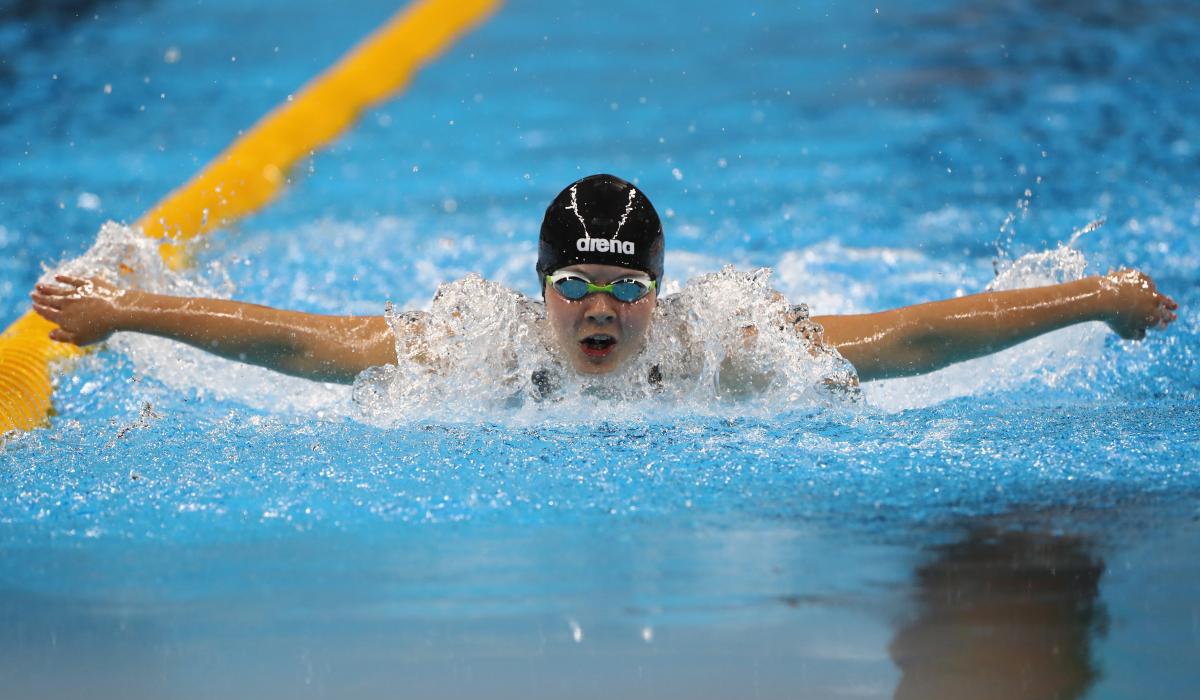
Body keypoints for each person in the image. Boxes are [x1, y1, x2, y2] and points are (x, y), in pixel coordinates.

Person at [29, 174, 1178, 394]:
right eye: (575, 283)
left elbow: (911, 338)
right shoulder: (472, 342)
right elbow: (298, 341)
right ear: (539, 286)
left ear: (659, 295)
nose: (598, 310)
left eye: (624, 291)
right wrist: (122, 309)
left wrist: (1091, 296)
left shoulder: (725, 341)